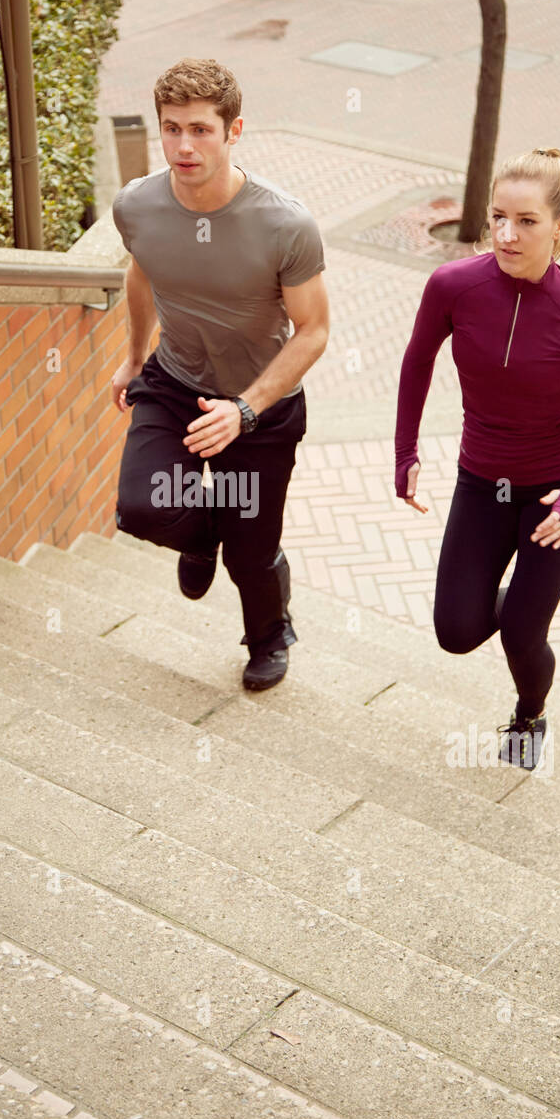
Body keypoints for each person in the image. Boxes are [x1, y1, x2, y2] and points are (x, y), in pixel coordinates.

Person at [394, 147, 560, 769]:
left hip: (558, 490)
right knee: (455, 631)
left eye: (526, 221)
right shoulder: (453, 285)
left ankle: (529, 714)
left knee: (523, 633)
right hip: (482, 481)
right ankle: (515, 598)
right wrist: (406, 451)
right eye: (498, 216)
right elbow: (418, 359)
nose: (506, 233)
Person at [110, 58, 329, 691]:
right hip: (176, 382)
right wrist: (132, 356)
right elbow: (141, 272)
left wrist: (248, 408)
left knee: (253, 554)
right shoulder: (137, 206)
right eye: (171, 128)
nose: (184, 146)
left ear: (234, 131)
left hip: (261, 407)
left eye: (201, 129)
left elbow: (313, 330)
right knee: (142, 509)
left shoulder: (285, 224)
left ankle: (267, 639)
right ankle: (203, 535)